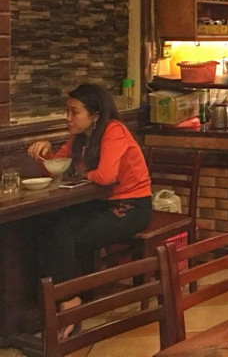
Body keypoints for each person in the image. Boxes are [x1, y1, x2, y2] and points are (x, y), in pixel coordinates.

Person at [27, 83, 152, 338]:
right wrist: (42, 153)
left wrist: (83, 174)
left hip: (132, 206)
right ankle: (56, 303)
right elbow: (56, 168)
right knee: (48, 226)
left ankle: (70, 302)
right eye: (67, 111)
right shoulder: (80, 137)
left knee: (64, 236)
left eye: (74, 112)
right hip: (100, 203)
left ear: (95, 114)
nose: (68, 117)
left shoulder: (114, 131)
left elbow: (106, 176)